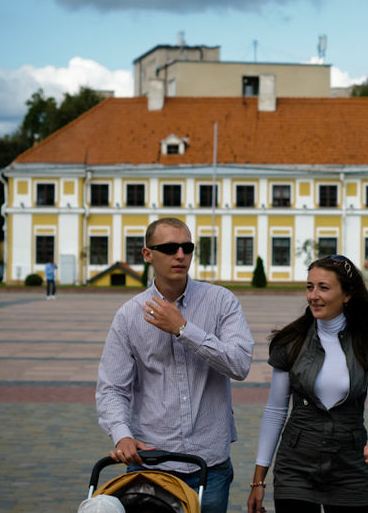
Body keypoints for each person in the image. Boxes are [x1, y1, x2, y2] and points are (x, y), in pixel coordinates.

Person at [96, 217, 254, 513]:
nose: (180, 255)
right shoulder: (129, 315)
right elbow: (112, 388)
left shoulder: (221, 302)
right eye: (169, 248)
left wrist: (184, 329)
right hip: (153, 463)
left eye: (187, 247)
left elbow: (240, 364)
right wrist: (122, 434)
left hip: (210, 463)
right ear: (147, 254)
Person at [247, 254, 368, 513]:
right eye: (309, 286)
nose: (313, 295)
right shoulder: (290, 342)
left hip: (350, 469)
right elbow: (275, 411)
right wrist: (258, 480)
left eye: (323, 288)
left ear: (347, 294)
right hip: (295, 469)